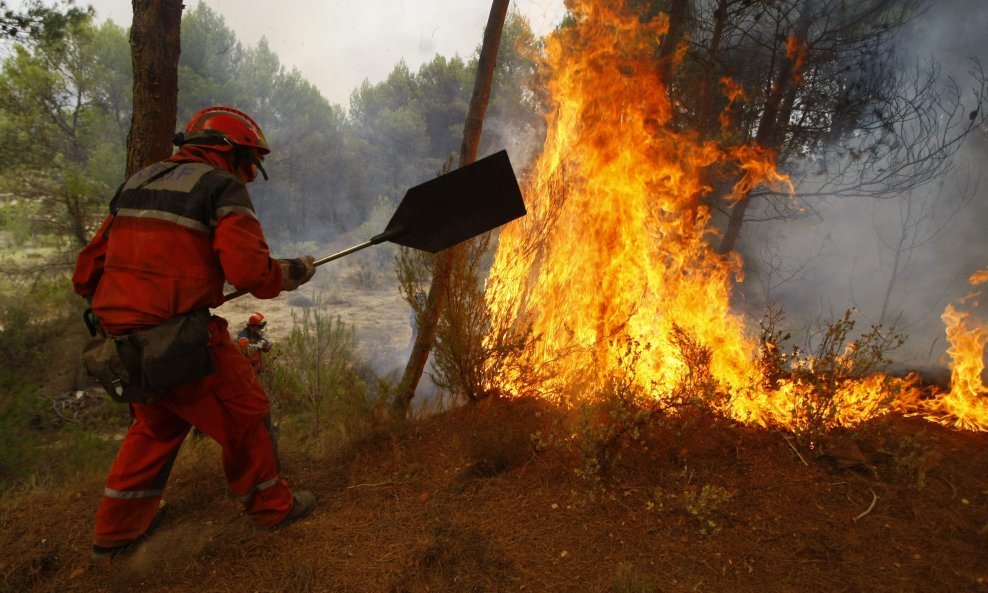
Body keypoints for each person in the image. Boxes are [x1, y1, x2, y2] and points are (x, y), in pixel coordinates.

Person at [73, 106, 317, 559]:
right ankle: (272, 508)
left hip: (122, 341)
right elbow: (250, 273)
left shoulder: (140, 181)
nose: (247, 177)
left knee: (156, 426)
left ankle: (115, 532)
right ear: (228, 151)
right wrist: (291, 272)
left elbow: (87, 272)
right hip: (178, 338)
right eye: (249, 165)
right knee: (245, 413)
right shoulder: (219, 186)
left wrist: (140, 298)